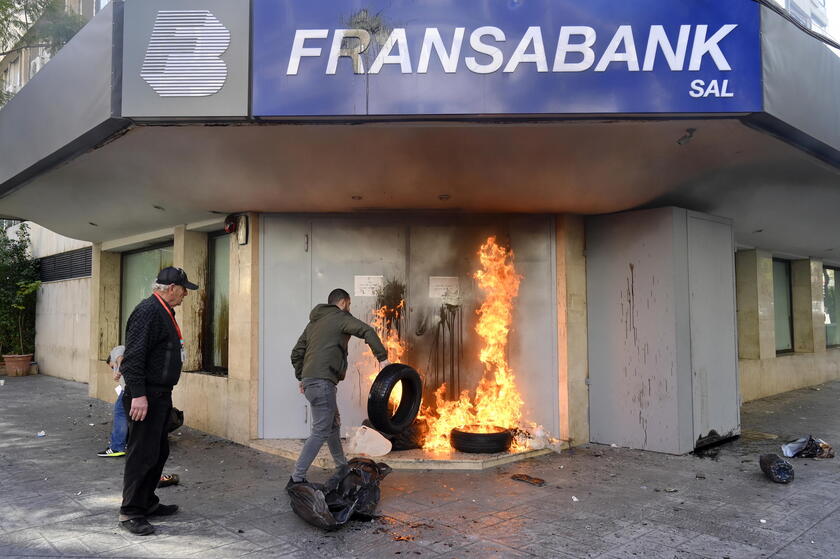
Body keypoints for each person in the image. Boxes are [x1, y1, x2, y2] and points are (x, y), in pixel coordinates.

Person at [118, 267, 198, 536]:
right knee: (142, 454)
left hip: (160, 395)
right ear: (171, 287)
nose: (186, 294)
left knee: (158, 452)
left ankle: (147, 502)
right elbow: (133, 358)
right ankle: (130, 512)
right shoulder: (148, 311)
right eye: (183, 289)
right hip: (147, 396)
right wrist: (139, 395)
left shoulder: (163, 311)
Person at [289, 288, 391, 486]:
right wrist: (383, 359)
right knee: (320, 431)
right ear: (344, 302)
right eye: (349, 305)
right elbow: (367, 331)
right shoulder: (339, 317)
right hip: (322, 383)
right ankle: (297, 477)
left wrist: (303, 377)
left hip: (313, 382)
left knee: (332, 425)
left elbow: (296, 353)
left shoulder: (314, 323)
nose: (349, 308)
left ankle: (341, 466)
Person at [98, 345, 181, 488]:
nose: (114, 369)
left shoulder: (119, 351)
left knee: (122, 415)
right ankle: (123, 445)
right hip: (136, 390)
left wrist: (117, 367)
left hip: (135, 390)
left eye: (111, 367)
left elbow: (119, 353)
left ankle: (118, 447)